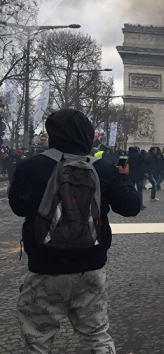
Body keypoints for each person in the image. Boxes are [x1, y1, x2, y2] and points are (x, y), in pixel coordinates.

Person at [9, 109, 141, 353]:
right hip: (90, 268)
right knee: (97, 336)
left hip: (45, 268)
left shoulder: (30, 167)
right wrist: (122, 177)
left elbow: (18, 208)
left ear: (51, 133)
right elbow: (131, 207)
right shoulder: (104, 169)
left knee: (37, 339)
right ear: (88, 135)